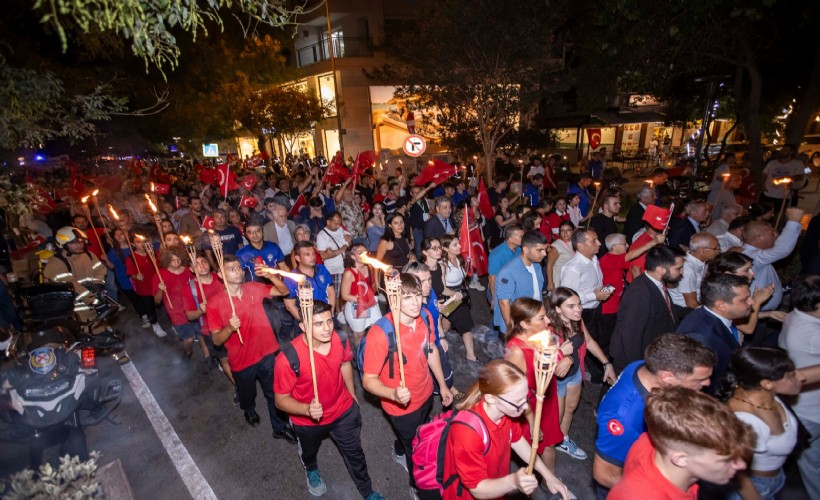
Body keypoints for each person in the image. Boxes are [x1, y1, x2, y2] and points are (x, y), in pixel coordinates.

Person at [273, 300, 384, 500]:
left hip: (342, 411)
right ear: (303, 327)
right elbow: (280, 400)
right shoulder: (288, 358)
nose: (327, 329)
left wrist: (352, 394)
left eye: (329, 321)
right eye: (318, 324)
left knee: (355, 454)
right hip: (307, 421)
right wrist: (307, 409)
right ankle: (311, 469)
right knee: (309, 451)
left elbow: (344, 364)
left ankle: (367, 491)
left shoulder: (339, 338)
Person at [361, 274, 452, 494]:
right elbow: (368, 380)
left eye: (417, 295)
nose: (414, 302)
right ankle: (417, 485)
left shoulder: (425, 317)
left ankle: (399, 447)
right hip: (401, 406)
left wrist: (443, 384)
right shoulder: (380, 333)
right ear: (393, 299)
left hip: (426, 392)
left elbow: (431, 351)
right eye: (407, 297)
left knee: (416, 434)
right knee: (418, 449)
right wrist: (392, 394)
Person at [593, 334, 716, 497]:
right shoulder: (624, 419)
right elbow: (605, 475)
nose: (707, 383)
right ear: (667, 377)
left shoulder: (641, 367)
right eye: (700, 379)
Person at [442, 359, 569, 500]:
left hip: (496, 487)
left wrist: (548, 475)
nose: (525, 407)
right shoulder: (467, 432)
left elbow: (518, 442)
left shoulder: (508, 413)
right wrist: (513, 481)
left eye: (525, 398)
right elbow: (477, 489)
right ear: (490, 398)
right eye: (517, 401)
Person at [208, 255, 297, 444]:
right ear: (220, 275)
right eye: (232, 269)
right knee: (247, 394)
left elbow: (283, 291)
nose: (238, 271)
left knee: (274, 393)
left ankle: (279, 428)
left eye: (239, 268)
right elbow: (216, 340)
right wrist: (230, 329)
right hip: (241, 360)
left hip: (268, 353)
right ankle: (248, 409)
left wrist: (271, 275)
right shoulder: (214, 303)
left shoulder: (253, 288)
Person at [608, 387, 754, 500]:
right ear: (681, 459)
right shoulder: (638, 496)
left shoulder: (652, 441)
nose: (741, 464)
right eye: (726, 459)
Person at [720, 347, 804, 500]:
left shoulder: (765, 394)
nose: (802, 377)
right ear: (767, 383)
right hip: (755, 489)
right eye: (791, 376)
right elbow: (737, 473)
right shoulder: (745, 420)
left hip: (775, 479)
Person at [548, 288, 616, 462]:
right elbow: (545, 364)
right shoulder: (549, 331)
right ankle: (549, 450)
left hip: (576, 374)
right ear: (557, 309)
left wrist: (606, 363)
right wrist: (566, 357)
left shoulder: (577, 321)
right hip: (557, 382)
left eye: (579, 304)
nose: (578, 309)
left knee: (570, 409)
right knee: (555, 418)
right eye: (571, 306)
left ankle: (563, 440)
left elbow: (589, 341)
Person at [503, 298, 563, 472]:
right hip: (529, 406)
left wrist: (566, 357)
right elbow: (514, 392)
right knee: (528, 449)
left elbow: (557, 352)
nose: (548, 321)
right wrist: (531, 420)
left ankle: (551, 484)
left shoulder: (541, 334)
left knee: (550, 444)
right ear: (524, 323)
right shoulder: (516, 351)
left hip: (546, 397)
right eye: (542, 318)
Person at [778, 275, 820, 500]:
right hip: (811, 411)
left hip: (804, 407)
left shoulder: (796, 316)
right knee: (804, 460)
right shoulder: (812, 335)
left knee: (810, 461)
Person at [677, 273, 754, 392]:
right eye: (744, 300)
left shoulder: (706, 317)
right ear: (721, 305)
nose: (752, 302)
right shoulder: (702, 337)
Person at [560, 228, 613, 381]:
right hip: (582, 312)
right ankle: (595, 375)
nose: (599, 243)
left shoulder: (593, 259)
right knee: (588, 342)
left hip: (595, 308)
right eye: (594, 241)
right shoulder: (573, 268)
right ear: (581, 246)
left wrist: (599, 292)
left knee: (598, 338)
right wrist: (593, 295)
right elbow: (566, 298)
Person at [184, 254, 235, 391]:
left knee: (238, 356)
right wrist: (200, 310)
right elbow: (189, 316)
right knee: (224, 359)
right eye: (197, 264)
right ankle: (239, 387)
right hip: (210, 329)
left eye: (204, 261)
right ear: (191, 269)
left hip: (233, 323)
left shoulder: (221, 278)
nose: (202, 265)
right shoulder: (190, 288)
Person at [741, 207, 804, 311]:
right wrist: (793, 221)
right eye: (772, 234)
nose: (776, 236)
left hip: (761, 313)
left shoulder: (754, 253)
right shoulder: (750, 256)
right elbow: (782, 249)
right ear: (758, 237)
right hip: (753, 313)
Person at [44, 226, 108, 322]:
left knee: (100, 322)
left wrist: (98, 285)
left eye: (81, 242)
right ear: (62, 244)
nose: (79, 245)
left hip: (93, 299)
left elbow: (100, 270)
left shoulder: (89, 255)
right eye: (73, 243)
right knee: (84, 327)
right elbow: (71, 285)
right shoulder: (55, 264)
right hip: (76, 306)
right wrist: (93, 301)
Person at [433, 234, 478, 363]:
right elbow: (442, 288)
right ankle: (471, 356)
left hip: (461, 295)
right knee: (465, 325)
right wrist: (454, 294)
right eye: (455, 245)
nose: (459, 246)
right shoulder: (442, 265)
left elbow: (464, 277)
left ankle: (438, 345)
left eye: (458, 243)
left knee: (446, 325)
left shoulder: (460, 259)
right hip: (450, 298)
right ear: (445, 249)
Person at [493, 231, 548, 335]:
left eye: (545, 250)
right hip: (518, 325)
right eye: (540, 250)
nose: (544, 254)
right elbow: (503, 303)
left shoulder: (537, 266)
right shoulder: (508, 271)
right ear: (526, 249)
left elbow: (538, 294)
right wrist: (512, 329)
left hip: (534, 321)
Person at [153, 245, 197, 360]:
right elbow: (157, 301)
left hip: (194, 308)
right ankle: (187, 352)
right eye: (172, 260)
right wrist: (160, 289)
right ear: (166, 260)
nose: (176, 262)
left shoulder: (189, 270)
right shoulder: (160, 276)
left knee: (201, 334)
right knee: (188, 339)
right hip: (176, 311)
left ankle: (208, 356)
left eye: (178, 259)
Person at [280, 241, 336, 321]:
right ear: (298, 258)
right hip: (306, 318)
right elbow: (290, 306)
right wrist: (307, 323)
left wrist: (330, 314)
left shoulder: (321, 269)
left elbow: (331, 293)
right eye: (307, 254)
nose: (312, 257)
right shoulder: (291, 278)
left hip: (326, 314)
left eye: (313, 253)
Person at [340, 244, 382, 345]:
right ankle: (360, 357)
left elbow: (373, 287)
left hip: (371, 305)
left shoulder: (369, 268)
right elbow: (345, 295)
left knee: (379, 328)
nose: (365, 255)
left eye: (366, 252)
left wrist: (377, 273)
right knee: (359, 335)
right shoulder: (349, 273)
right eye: (360, 253)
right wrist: (361, 299)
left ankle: (374, 353)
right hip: (357, 306)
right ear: (353, 256)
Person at [667, 232, 721, 309]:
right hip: (684, 310)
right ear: (701, 250)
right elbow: (691, 303)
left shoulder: (700, 262)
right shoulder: (688, 270)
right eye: (716, 248)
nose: (719, 251)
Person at [316, 212, 352, 305]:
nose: (338, 225)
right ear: (328, 222)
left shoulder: (340, 230)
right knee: (335, 295)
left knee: (345, 292)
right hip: (333, 269)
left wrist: (349, 240)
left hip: (345, 266)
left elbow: (349, 241)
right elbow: (323, 255)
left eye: (339, 223)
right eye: (336, 223)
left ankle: (343, 312)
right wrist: (341, 250)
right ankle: (336, 313)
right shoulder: (322, 236)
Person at [235, 218, 286, 282]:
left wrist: (290, 285)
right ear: (246, 235)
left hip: (276, 286)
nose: (255, 235)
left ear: (262, 232)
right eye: (250, 232)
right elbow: (238, 276)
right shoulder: (241, 253)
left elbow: (284, 267)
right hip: (255, 289)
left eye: (258, 231)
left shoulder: (273, 247)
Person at [760, 144, 806, 211]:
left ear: (791, 152)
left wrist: (785, 179)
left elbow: (800, 176)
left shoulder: (797, 164)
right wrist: (762, 185)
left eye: (785, 150)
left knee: (778, 213)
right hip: (768, 192)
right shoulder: (772, 163)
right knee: (763, 212)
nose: (782, 151)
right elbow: (764, 174)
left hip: (782, 194)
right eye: (782, 150)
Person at [487, 224, 523, 303]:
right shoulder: (496, 255)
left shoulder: (519, 250)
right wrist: (494, 298)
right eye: (521, 236)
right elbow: (492, 279)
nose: (523, 238)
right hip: (500, 291)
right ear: (511, 239)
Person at [588, 190, 621, 258]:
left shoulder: (611, 219)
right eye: (615, 204)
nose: (619, 206)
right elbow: (591, 242)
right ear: (606, 205)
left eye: (619, 203)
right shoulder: (597, 220)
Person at [547, 220, 575, 291]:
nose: (565, 233)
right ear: (559, 232)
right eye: (562, 230)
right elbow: (549, 265)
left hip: (572, 278)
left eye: (568, 230)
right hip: (559, 278)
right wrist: (550, 283)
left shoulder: (576, 243)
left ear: (573, 231)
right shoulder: (556, 245)